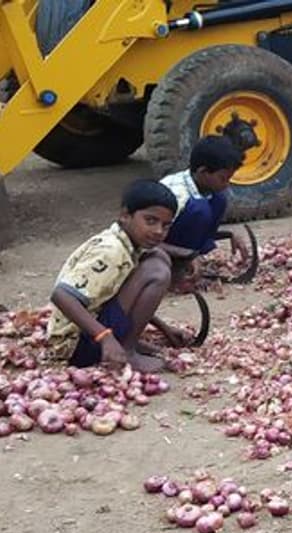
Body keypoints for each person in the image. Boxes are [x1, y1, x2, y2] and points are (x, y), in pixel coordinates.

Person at [46, 180, 178, 372]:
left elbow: (117, 292)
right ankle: (127, 350)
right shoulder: (111, 251)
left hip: (93, 327)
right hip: (76, 346)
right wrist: (105, 338)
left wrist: (164, 328)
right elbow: (61, 295)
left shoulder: (130, 244)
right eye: (150, 221)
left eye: (166, 225)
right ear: (125, 215)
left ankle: (127, 342)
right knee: (157, 271)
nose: (159, 231)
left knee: (158, 256)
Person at [159, 135, 249, 267]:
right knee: (200, 210)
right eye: (223, 178)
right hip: (157, 250)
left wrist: (230, 234)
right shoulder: (177, 195)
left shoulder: (205, 189)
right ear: (203, 172)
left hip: (180, 245)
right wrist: (188, 255)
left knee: (218, 200)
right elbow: (145, 244)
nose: (227, 184)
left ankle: (194, 258)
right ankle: (179, 266)